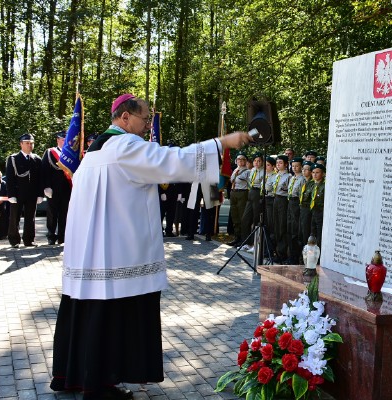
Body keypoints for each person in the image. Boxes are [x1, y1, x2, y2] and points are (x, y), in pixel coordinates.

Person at [50, 93, 252, 400]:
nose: (147, 127)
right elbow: (173, 161)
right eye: (145, 119)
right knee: (113, 317)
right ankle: (100, 386)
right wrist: (221, 143)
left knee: (90, 314)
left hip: (91, 253)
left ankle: (76, 376)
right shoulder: (125, 146)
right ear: (125, 117)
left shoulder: (94, 150)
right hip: (118, 255)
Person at [6, 133, 44, 247]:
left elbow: (40, 179)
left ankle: (29, 240)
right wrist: (11, 194)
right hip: (17, 193)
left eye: (31, 143)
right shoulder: (13, 159)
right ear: (21, 144)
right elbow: (10, 178)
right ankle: (14, 240)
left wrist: (40, 194)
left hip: (32, 194)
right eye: (27, 143)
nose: (30, 145)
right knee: (14, 217)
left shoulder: (37, 159)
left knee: (30, 218)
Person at [42, 131, 72, 245]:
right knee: (52, 213)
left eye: (66, 140)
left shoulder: (71, 153)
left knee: (65, 213)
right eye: (62, 140)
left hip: (67, 187)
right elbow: (45, 170)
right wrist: (47, 186)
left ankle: (62, 236)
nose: (64, 142)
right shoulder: (50, 152)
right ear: (58, 140)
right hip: (53, 188)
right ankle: (51, 235)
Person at [239, 152, 264, 253]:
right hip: (251, 192)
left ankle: (255, 244)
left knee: (256, 219)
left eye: (259, 161)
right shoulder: (252, 170)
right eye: (255, 161)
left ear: (262, 162)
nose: (257, 163)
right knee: (245, 218)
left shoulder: (264, 171)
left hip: (258, 193)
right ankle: (246, 242)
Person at [286, 157, 305, 264]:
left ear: (301, 167)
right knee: (289, 228)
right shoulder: (292, 178)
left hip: (297, 203)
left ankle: (295, 256)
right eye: (293, 166)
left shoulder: (302, 179)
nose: (295, 168)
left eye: (297, 166)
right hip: (290, 202)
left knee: (295, 229)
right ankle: (291, 255)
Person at [228, 152, 250, 246]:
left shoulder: (248, 172)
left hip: (242, 193)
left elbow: (250, 184)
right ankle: (236, 237)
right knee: (235, 216)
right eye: (238, 159)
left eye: (242, 159)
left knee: (242, 217)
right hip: (234, 192)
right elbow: (231, 180)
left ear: (246, 161)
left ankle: (243, 239)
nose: (240, 161)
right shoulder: (235, 170)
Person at [272, 154, 290, 262]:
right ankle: (277, 251)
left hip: (283, 200)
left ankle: (282, 253)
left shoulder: (288, 177)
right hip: (275, 198)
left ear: (286, 164)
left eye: (281, 163)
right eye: (277, 162)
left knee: (282, 226)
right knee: (276, 225)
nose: (278, 164)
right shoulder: (276, 175)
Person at [298, 161, 315, 248]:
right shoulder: (303, 181)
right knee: (300, 232)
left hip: (308, 210)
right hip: (301, 208)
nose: (304, 171)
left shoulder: (313, 184)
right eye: (303, 169)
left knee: (306, 231)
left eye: (307, 169)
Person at [310, 163, 326, 248]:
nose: (315, 175)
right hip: (313, 211)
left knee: (319, 234)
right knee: (313, 233)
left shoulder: (325, 186)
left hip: (320, 211)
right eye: (313, 172)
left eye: (317, 172)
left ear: (323, 174)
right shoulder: (312, 185)